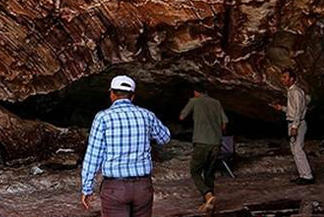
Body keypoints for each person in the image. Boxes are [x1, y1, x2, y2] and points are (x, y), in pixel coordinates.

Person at [80, 75, 171, 217]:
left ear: (112, 94)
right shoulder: (146, 115)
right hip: (143, 187)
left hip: (115, 189)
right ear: (132, 96)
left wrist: (87, 188)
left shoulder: (103, 118)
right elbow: (165, 138)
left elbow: (93, 156)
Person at [179, 86, 228, 212]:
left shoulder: (194, 101)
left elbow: (182, 117)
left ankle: (208, 194)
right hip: (216, 143)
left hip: (201, 142)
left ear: (196, 92)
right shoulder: (216, 102)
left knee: (195, 171)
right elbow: (224, 124)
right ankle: (208, 204)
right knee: (209, 173)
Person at [272, 69, 314, 184]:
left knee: (298, 150)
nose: (282, 79)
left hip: (297, 123)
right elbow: (293, 110)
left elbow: (299, 111)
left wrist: (295, 126)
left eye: (285, 77)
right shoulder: (291, 91)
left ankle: (307, 176)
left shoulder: (296, 92)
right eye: (282, 77)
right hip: (293, 122)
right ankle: (303, 175)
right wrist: (282, 108)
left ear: (292, 79)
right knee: (295, 150)